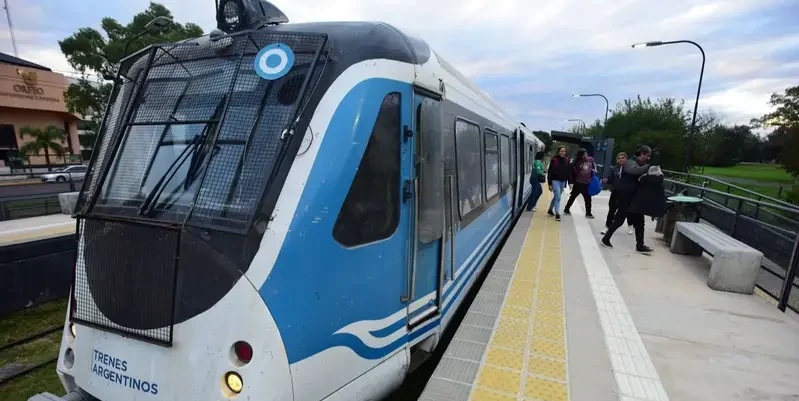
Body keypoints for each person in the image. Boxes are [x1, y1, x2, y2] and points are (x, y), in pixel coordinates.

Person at [600, 145, 652, 252]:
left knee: (639, 221)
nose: (648, 158)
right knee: (620, 219)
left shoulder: (638, 163)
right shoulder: (631, 163)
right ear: (642, 154)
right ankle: (606, 239)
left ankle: (640, 245)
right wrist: (650, 166)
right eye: (647, 155)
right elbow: (636, 171)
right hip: (626, 196)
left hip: (633, 197)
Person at [601, 152, 634, 235]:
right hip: (616, 192)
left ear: (626, 159)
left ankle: (630, 225)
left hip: (626, 193)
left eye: (623, 158)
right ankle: (607, 226)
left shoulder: (630, 168)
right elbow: (611, 179)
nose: (621, 159)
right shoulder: (614, 169)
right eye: (619, 158)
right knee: (611, 210)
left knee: (627, 210)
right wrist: (607, 180)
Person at [563, 148, 596, 218]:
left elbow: (594, 165)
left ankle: (588, 213)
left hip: (587, 183)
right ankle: (566, 209)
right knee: (573, 197)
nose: (585, 156)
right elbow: (570, 169)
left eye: (586, 154)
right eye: (584, 155)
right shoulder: (577, 161)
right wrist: (571, 180)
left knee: (588, 199)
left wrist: (594, 169)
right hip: (578, 183)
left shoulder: (591, 159)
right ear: (580, 156)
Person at [546, 145, 570, 221]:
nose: (563, 152)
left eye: (564, 151)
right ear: (558, 152)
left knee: (557, 196)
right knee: (558, 197)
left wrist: (569, 182)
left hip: (563, 181)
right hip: (555, 181)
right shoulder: (554, 160)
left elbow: (568, 172)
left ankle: (550, 210)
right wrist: (549, 184)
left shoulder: (567, 160)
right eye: (561, 151)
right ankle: (557, 214)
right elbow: (550, 172)